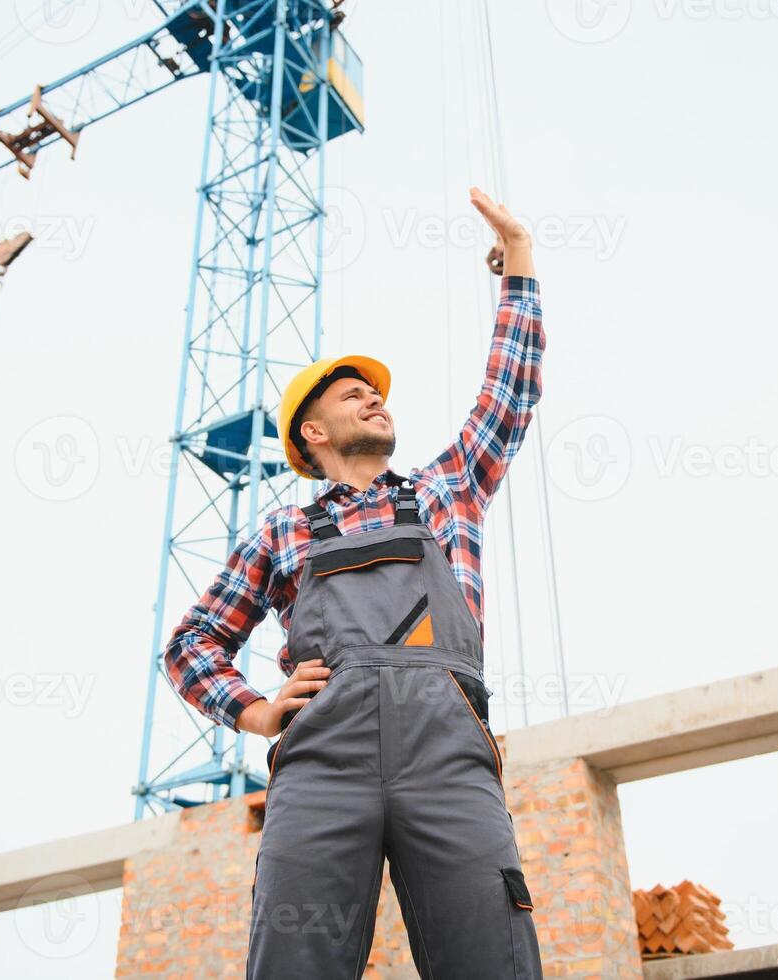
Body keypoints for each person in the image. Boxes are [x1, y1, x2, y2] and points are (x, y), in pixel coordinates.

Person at [163, 185, 546, 978]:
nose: (373, 397)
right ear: (314, 431)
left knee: (492, 956)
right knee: (294, 959)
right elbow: (190, 642)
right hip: (321, 769)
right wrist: (258, 711)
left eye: (375, 392)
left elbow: (509, 389)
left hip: (448, 758)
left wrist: (518, 264)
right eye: (351, 394)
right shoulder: (282, 531)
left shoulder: (447, 489)